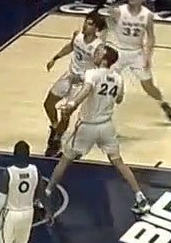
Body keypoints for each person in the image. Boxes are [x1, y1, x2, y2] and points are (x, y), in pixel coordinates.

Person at [44, 46, 151, 216]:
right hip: (107, 126)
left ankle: (47, 193)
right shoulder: (118, 78)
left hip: (87, 126)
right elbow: (120, 99)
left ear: (104, 59)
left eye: (99, 52)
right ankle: (140, 197)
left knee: (65, 160)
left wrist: (72, 105)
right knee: (118, 162)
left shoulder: (92, 74)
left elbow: (86, 91)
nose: (96, 53)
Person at [110, 0, 171, 122]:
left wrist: (148, 56)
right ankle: (105, 114)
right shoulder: (118, 11)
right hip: (119, 51)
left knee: (148, 86)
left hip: (136, 52)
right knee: (113, 88)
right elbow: (107, 27)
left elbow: (150, 36)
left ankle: (162, 103)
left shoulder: (147, 15)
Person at [44, 12, 107, 155]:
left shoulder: (98, 46)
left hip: (81, 82)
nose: (85, 24)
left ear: (96, 28)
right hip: (69, 75)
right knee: (48, 104)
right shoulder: (77, 35)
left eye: (90, 23)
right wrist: (55, 58)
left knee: (66, 113)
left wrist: (90, 78)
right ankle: (55, 127)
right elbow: (71, 46)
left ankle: (56, 140)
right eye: (86, 21)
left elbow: (100, 66)